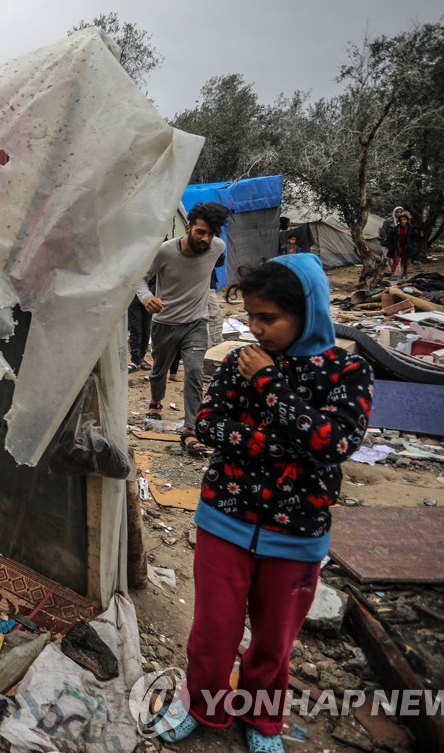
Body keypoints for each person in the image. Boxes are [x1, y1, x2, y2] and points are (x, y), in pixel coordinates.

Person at [154, 254, 373, 753]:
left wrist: (270, 385)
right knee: (214, 631)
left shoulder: (347, 370)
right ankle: (201, 706)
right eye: (251, 316)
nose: (255, 329)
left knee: (273, 642)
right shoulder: (237, 359)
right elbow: (206, 425)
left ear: (307, 312)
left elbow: (334, 443)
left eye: (268, 318)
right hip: (224, 520)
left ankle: (262, 721)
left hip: (297, 533)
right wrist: (288, 441)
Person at [136, 201, 228, 456]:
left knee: (195, 371)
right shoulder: (165, 251)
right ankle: (155, 402)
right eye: (200, 232)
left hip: (196, 323)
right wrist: (147, 299)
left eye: (211, 234)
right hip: (165, 323)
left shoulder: (217, 247)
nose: (206, 239)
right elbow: (140, 280)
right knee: (158, 370)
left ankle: (191, 427)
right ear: (187, 228)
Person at [387, 212, 419, 280]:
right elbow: (389, 238)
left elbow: (415, 238)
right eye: (401, 220)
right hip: (398, 247)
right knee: (396, 260)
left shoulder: (412, 229)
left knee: (406, 261)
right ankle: (393, 274)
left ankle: (405, 273)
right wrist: (390, 246)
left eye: (404, 219)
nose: (402, 221)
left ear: (407, 220)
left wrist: (413, 245)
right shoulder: (395, 229)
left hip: (407, 247)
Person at [378, 207, 404, 277]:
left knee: (397, 259)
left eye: (400, 212)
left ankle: (395, 273)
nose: (399, 214)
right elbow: (383, 232)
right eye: (397, 212)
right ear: (394, 212)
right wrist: (387, 241)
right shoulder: (388, 221)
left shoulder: (403, 221)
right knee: (387, 258)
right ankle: (387, 272)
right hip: (387, 244)